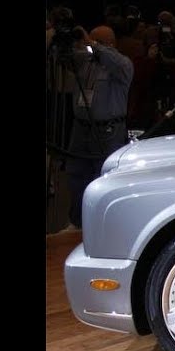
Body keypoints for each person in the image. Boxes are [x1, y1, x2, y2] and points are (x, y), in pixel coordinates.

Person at [67, 25, 132, 231]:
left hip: (108, 131)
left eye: (97, 42)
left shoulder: (122, 64)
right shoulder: (85, 62)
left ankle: (103, 225)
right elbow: (64, 57)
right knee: (77, 175)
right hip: (81, 128)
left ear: (110, 44)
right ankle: (77, 222)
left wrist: (92, 44)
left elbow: (115, 62)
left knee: (103, 177)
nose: (90, 47)